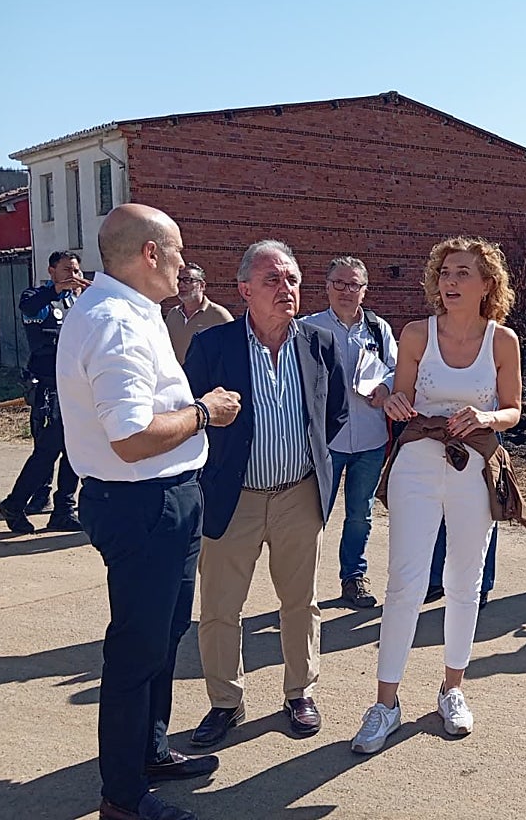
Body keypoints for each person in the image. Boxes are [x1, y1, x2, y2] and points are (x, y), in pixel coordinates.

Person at [57, 204, 241, 820]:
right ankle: (123, 797)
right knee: (138, 650)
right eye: (179, 250)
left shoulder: (133, 311)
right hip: (143, 503)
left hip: (161, 498)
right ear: (150, 255)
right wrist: (205, 412)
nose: (187, 263)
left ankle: (149, 750)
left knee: (165, 636)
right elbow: (130, 436)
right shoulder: (116, 322)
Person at [351, 236, 522, 754]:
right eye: (445, 272)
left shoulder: (502, 341)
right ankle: (385, 704)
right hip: (417, 463)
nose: (450, 282)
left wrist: (487, 416)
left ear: (487, 283)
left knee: (465, 582)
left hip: (474, 467)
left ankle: (453, 691)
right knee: (405, 581)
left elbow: (513, 408)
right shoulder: (415, 334)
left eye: (463, 273)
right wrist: (397, 400)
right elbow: (398, 393)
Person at [183, 240, 347, 748]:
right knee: (219, 607)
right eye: (273, 280)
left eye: (293, 279)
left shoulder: (319, 343)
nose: (286, 289)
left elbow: (334, 412)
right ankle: (226, 703)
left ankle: (300, 692)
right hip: (235, 496)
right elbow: (191, 415)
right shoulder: (214, 346)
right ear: (244, 290)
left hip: (299, 493)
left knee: (301, 602)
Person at [301, 256, 397, 608]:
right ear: (326, 287)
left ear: (364, 290)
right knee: (314, 514)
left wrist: (386, 387)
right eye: (338, 283)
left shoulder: (377, 329)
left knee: (361, 513)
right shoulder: (308, 328)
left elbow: (396, 369)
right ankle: (301, 584)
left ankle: (353, 578)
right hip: (325, 441)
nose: (345, 291)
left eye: (353, 284)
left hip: (370, 440)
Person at [0, 250, 87, 534]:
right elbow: (29, 307)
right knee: (47, 451)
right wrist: (56, 291)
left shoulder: (78, 300)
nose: (73, 275)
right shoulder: (38, 297)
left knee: (74, 450)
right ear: (52, 271)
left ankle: (63, 509)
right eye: (66, 270)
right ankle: (16, 503)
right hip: (49, 388)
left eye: (76, 270)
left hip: (74, 386)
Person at [164, 262, 234, 364]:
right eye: (178, 279)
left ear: (202, 285)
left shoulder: (219, 315)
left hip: (206, 378)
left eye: (188, 280)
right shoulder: (173, 314)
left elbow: (232, 350)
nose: (181, 284)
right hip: (175, 378)